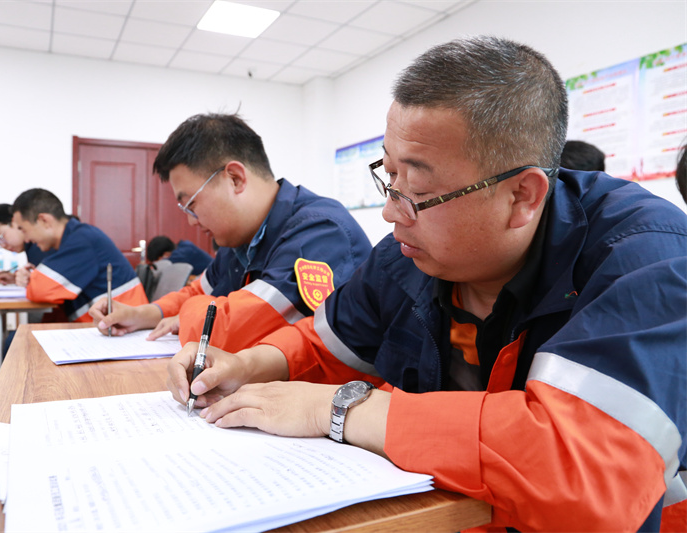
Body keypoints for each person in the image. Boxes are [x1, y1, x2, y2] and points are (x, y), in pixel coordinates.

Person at [166, 37, 687, 532]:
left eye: (416, 189)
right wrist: (248, 365)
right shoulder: (408, 256)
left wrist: (340, 409)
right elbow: (326, 342)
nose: (391, 212)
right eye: (389, 177)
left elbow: (583, 469)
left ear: (522, 197)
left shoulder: (647, 258)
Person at [89, 113, 372, 352]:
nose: (191, 221)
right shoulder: (239, 240)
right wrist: (141, 314)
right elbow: (198, 291)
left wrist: (189, 316)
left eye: (191, 204)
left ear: (235, 178)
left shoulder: (320, 232)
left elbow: (239, 331)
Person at [11, 188, 148, 322]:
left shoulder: (82, 241)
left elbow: (41, 290)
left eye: (24, 230)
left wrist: (30, 280)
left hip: (123, 329)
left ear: (44, 220)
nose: (26, 239)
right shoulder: (73, 239)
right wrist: (31, 279)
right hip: (109, 326)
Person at [0, 203, 50, 285]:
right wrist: (16, 279)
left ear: (15, 221)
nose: (3, 246)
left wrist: (31, 281)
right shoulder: (31, 247)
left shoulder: (40, 245)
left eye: (1, 237)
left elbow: (49, 286)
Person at [146, 235, 212, 276]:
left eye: (157, 260)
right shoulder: (184, 247)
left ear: (166, 254)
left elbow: (159, 268)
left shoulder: (183, 253)